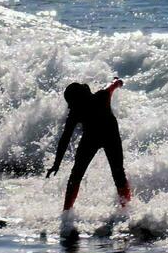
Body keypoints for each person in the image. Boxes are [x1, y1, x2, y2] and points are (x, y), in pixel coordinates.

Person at [47, 79, 132, 213]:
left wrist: (116, 83)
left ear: (79, 100)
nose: (69, 107)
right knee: (75, 175)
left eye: (70, 103)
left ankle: (126, 210)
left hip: (110, 136)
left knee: (118, 173)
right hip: (90, 138)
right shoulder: (75, 113)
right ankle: (66, 213)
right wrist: (57, 163)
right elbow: (65, 138)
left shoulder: (101, 97)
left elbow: (109, 88)